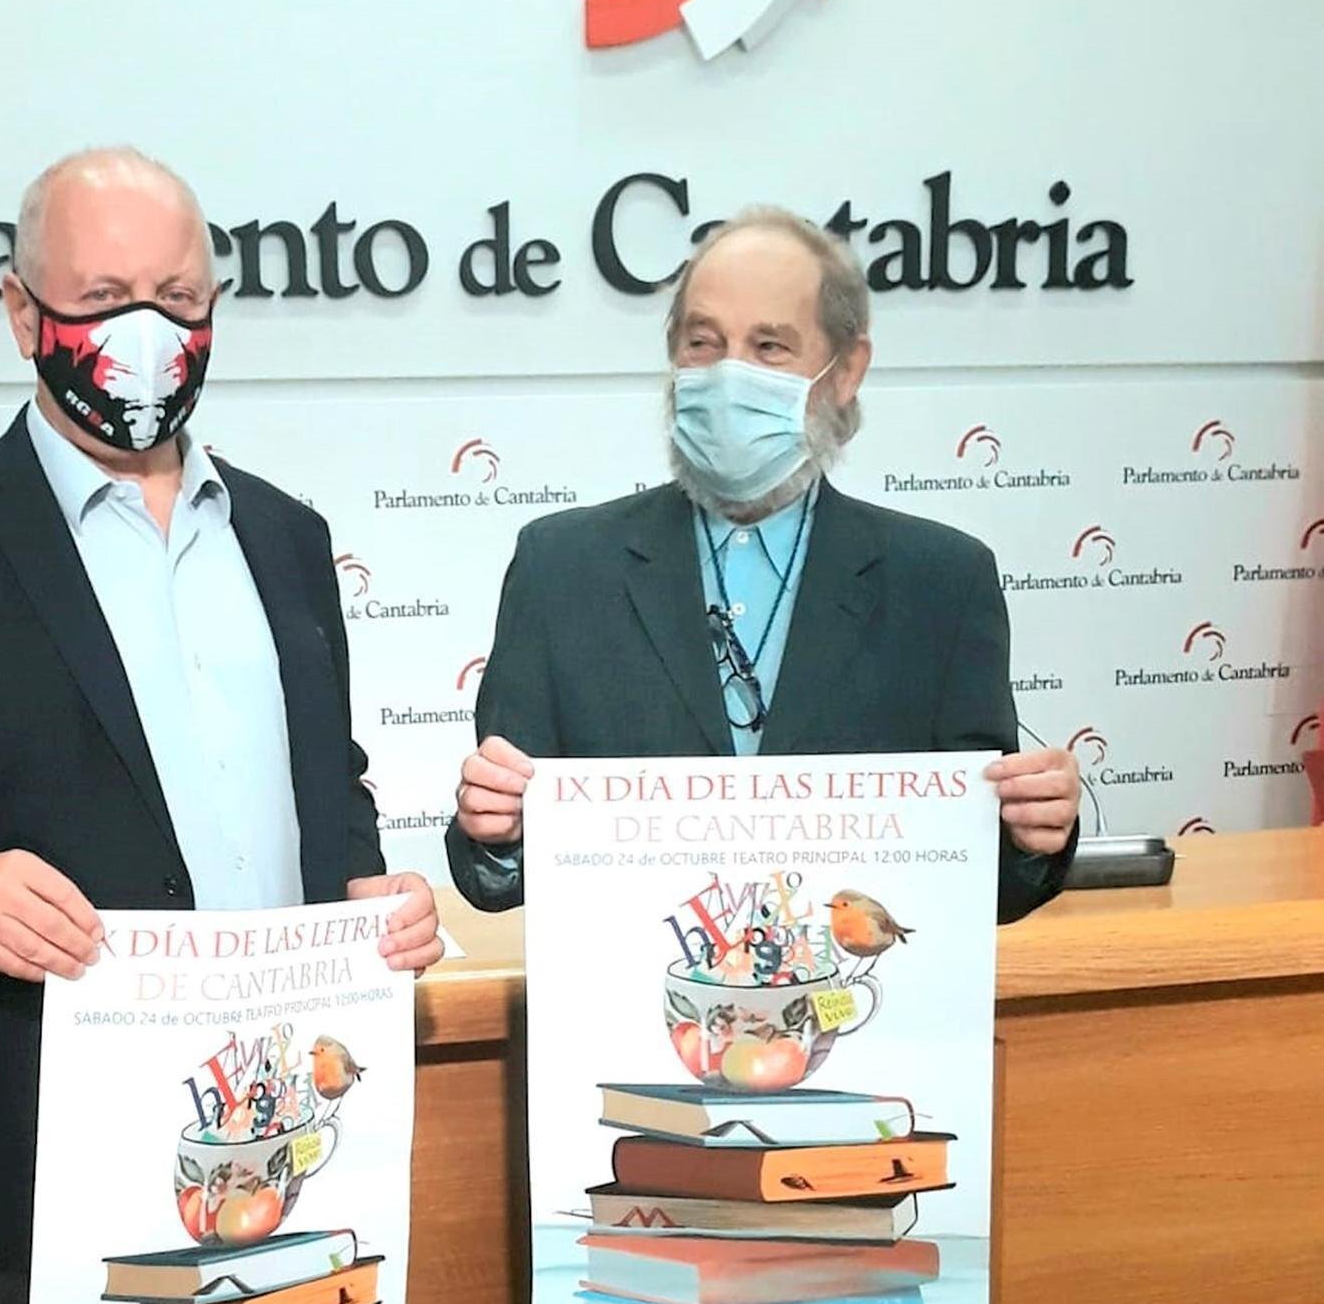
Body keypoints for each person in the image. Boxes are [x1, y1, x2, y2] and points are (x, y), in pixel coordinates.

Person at [0, 147, 442, 1304]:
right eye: (101, 298)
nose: (145, 333)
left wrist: (368, 898)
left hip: (281, 1143)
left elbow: (325, 782)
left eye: (176, 299)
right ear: (21, 311)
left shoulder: (288, 539)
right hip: (39, 1157)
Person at [447, 206, 1078, 920]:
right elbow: (495, 870)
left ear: (846, 371)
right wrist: (496, 834)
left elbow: (983, 877)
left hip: (853, 987)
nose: (729, 376)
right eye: (702, 343)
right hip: (635, 985)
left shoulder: (940, 583)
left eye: (770, 346)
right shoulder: (560, 569)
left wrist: (1032, 834)